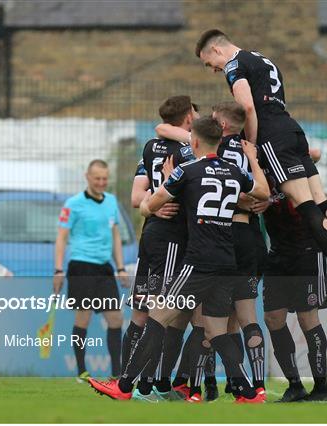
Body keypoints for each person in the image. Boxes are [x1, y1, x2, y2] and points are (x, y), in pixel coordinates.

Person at [89, 116, 269, 403]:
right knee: (216, 331)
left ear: (194, 141)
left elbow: (150, 205)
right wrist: (253, 160)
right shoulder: (234, 171)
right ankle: (249, 391)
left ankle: (123, 387)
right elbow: (262, 192)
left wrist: (152, 201)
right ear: (220, 143)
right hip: (227, 261)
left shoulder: (186, 171)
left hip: (197, 264)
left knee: (157, 318)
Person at [195, 29, 327, 303]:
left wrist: (251, 145)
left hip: (272, 137)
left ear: (216, 50)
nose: (213, 69)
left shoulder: (234, 65)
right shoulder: (264, 60)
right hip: (293, 130)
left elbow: (248, 109)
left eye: (208, 63)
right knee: (321, 200)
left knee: (304, 204)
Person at [155, 101, 267, 401]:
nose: (210, 121)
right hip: (247, 239)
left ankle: (196, 387)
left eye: (215, 119)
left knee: (201, 320)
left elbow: (163, 128)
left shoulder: (202, 157)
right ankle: (254, 386)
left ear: (223, 127)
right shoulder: (247, 150)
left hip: (216, 238)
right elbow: (258, 195)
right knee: (241, 318)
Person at [124, 95, 197, 401]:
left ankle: (126, 378)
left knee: (142, 313)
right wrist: (161, 201)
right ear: (189, 118)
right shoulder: (190, 151)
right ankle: (144, 385)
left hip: (150, 235)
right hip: (170, 238)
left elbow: (135, 197)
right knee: (162, 314)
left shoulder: (150, 147)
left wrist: (152, 203)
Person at [253, 161, 327, 402]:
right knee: (272, 318)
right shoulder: (257, 166)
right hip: (278, 253)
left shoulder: (290, 158)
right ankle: (295, 385)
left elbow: (314, 154)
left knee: (307, 318)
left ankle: (321, 388)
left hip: (307, 250)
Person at [53, 159, 129, 382]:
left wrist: (121, 267)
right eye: (97, 178)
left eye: (105, 179)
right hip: (81, 265)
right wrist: (58, 270)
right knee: (83, 318)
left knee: (115, 318)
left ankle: (117, 373)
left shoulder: (112, 201)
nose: (101, 182)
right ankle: (81, 372)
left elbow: (115, 235)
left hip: (104, 268)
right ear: (87, 177)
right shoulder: (73, 204)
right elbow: (61, 237)